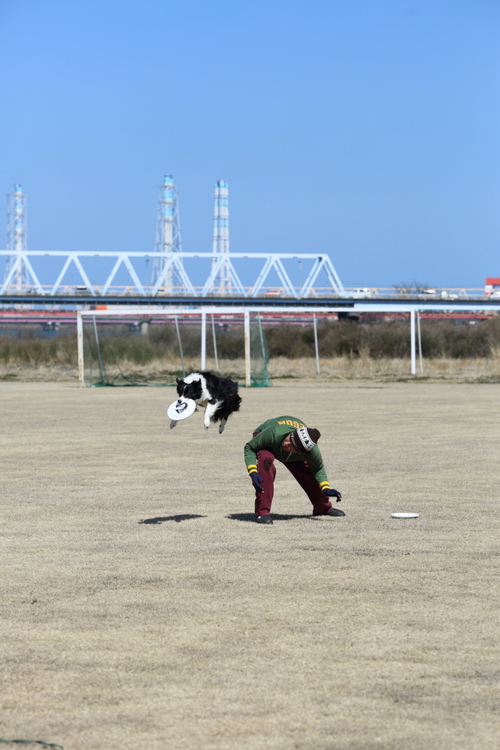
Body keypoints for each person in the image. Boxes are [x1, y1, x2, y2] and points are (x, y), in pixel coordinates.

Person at [244, 415, 344, 524]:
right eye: (289, 439)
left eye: (292, 446)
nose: (287, 443)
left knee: (308, 474)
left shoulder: (311, 452)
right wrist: (253, 471)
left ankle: (323, 508)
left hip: (291, 451)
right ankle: (262, 512)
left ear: (300, 453)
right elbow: (249, 447)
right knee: (266, 462)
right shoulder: (273, 433)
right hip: (266, 437)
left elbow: (318, 469)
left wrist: (325, 488)